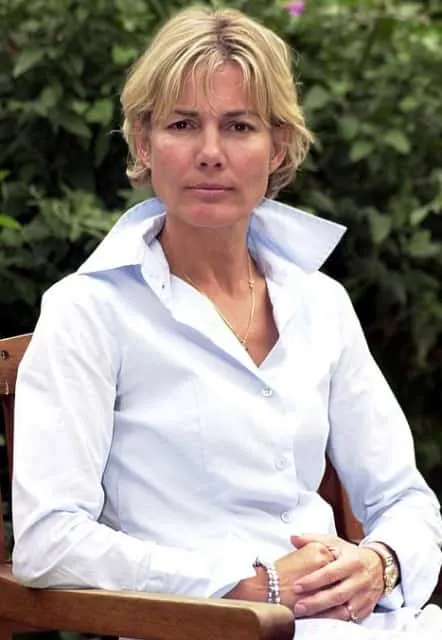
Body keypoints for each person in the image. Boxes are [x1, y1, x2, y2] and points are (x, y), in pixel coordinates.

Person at [12, 5, 442, 639]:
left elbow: (403, 497)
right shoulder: (88, 310)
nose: (210, 153)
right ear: (143, 143)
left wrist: (381, 564)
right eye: (183, 124)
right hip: (199, 630)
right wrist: (247, 585)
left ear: (278, 146)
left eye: (239, 126)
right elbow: (49, 540)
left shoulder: (320, 303)